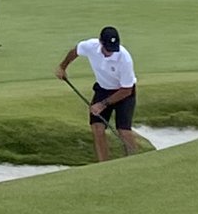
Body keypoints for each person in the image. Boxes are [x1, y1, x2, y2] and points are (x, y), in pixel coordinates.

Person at [54, 26, 139, 160]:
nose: (110, 52)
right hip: (103, 89)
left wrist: (102, 104)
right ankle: (104, 165)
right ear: (101, 43)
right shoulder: (91, 46)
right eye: (107, 49)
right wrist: (62, 67)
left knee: (123, 130)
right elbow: (75, 51)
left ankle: (134, 161)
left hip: (123, 94)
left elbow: (126, 90)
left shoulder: (125, 59)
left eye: (113, 49)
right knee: (97, 128)